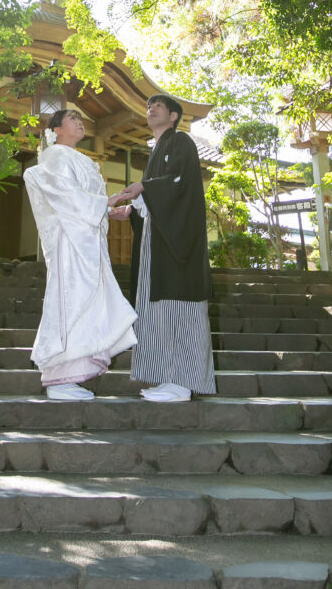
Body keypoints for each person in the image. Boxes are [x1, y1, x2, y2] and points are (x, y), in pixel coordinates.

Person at [23, 108, 137, 401]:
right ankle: (58, 377)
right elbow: (66, 196)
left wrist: (108, 211)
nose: (80, 123)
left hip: (85, 239)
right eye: (72, 119)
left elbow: (82, 201)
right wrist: (106, 202)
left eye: (81, 119)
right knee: (70, 300)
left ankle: (72, 373)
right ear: (56, 130)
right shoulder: (55, 156)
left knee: (87, 302)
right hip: (69, 241)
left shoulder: (78, 158)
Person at [118, 94, 216, 402]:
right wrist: (132, 210)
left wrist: (145, 188)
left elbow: (180, 183)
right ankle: (167, 377)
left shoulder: (181, 142)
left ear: (173, 116)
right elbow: (156, 196)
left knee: (181, 309)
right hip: (158, 243)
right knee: (158, 309)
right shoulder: (157, 149)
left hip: (179, 247)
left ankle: (183, 382)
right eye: (148, 106)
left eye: (158, 106)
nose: (151, 109)